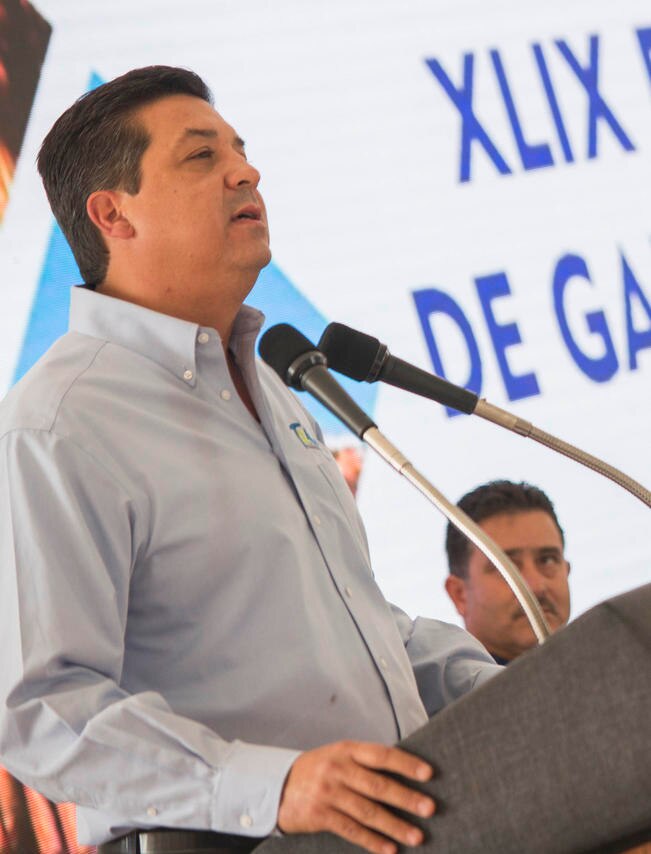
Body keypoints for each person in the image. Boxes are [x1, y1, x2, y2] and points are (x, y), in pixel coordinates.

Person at [0, 65, 502, 854]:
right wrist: (270, 786)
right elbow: (41, 709)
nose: (246, 172)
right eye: (202, 156)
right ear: (112, 213)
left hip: (390, 825)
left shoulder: (271, 386)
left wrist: (511, 689)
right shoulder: (59, 426)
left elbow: (356, 628)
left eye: (240, 149)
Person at [443, 480, 571, 664]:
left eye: (547, 560)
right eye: (506, 568)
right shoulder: (428, 681)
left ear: (567, 571)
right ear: (459, 594)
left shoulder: (610, 662)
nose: (535, 586)